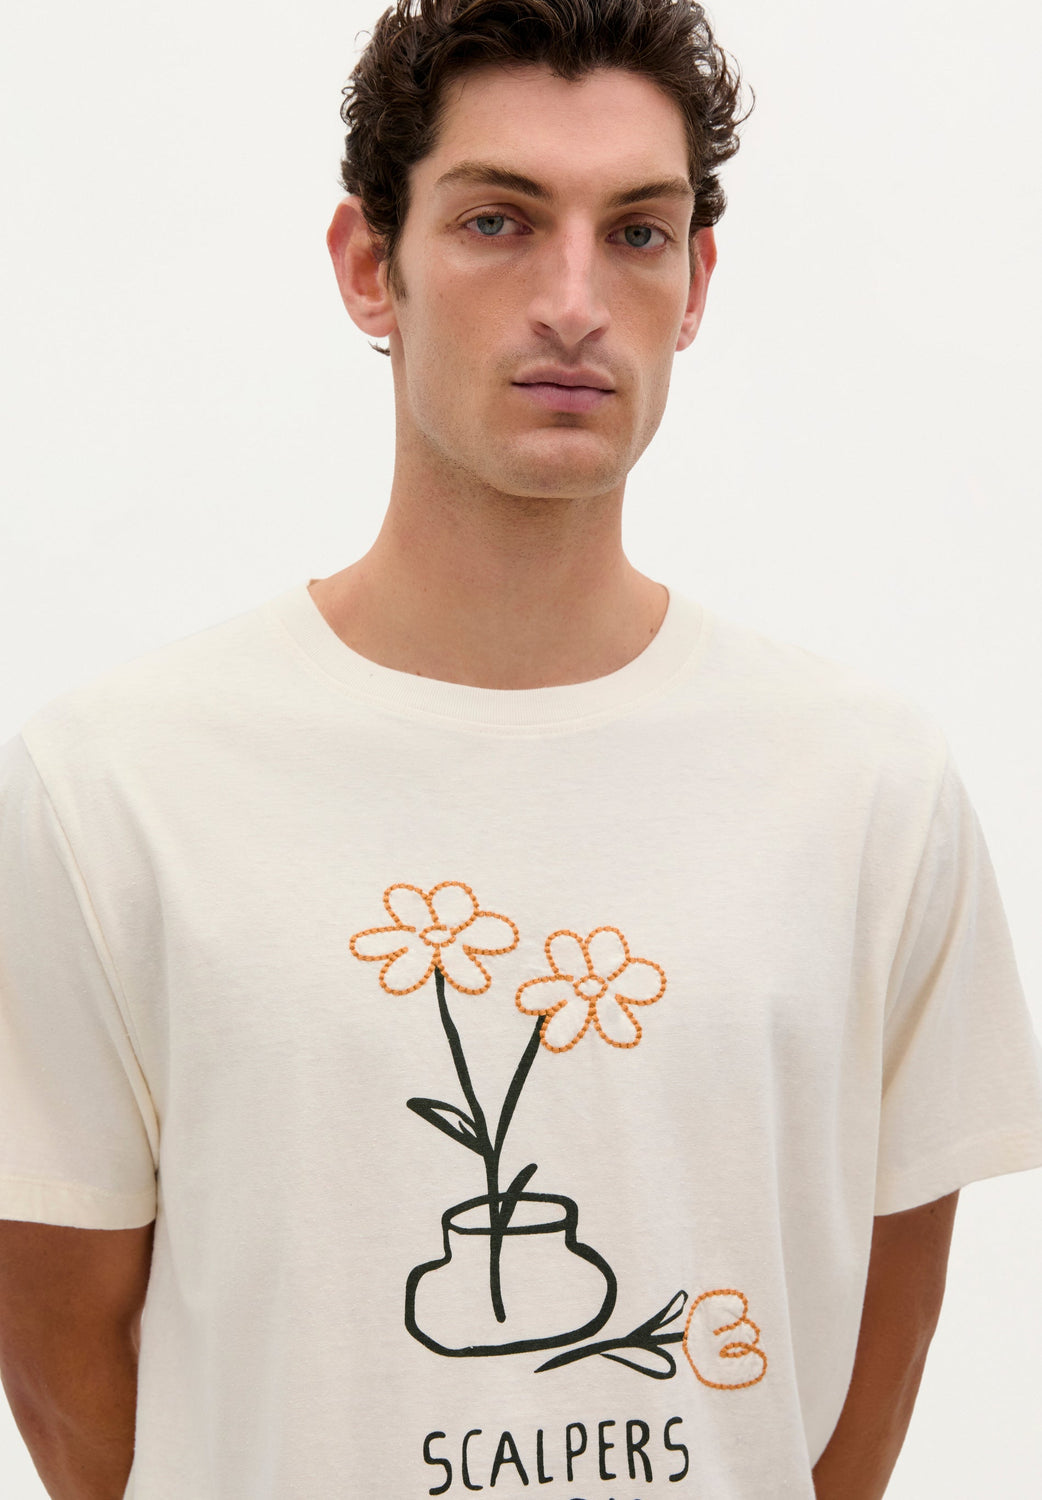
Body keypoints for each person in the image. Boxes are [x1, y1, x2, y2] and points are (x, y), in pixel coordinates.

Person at [1, 0, 1040, 1494]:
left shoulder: (869, 787)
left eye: (637, 232)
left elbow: (873, 1352)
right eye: (497, 221)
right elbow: (61, 1362)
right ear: (372, 267)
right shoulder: (112, 788)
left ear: (695, 284)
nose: (573, 301)